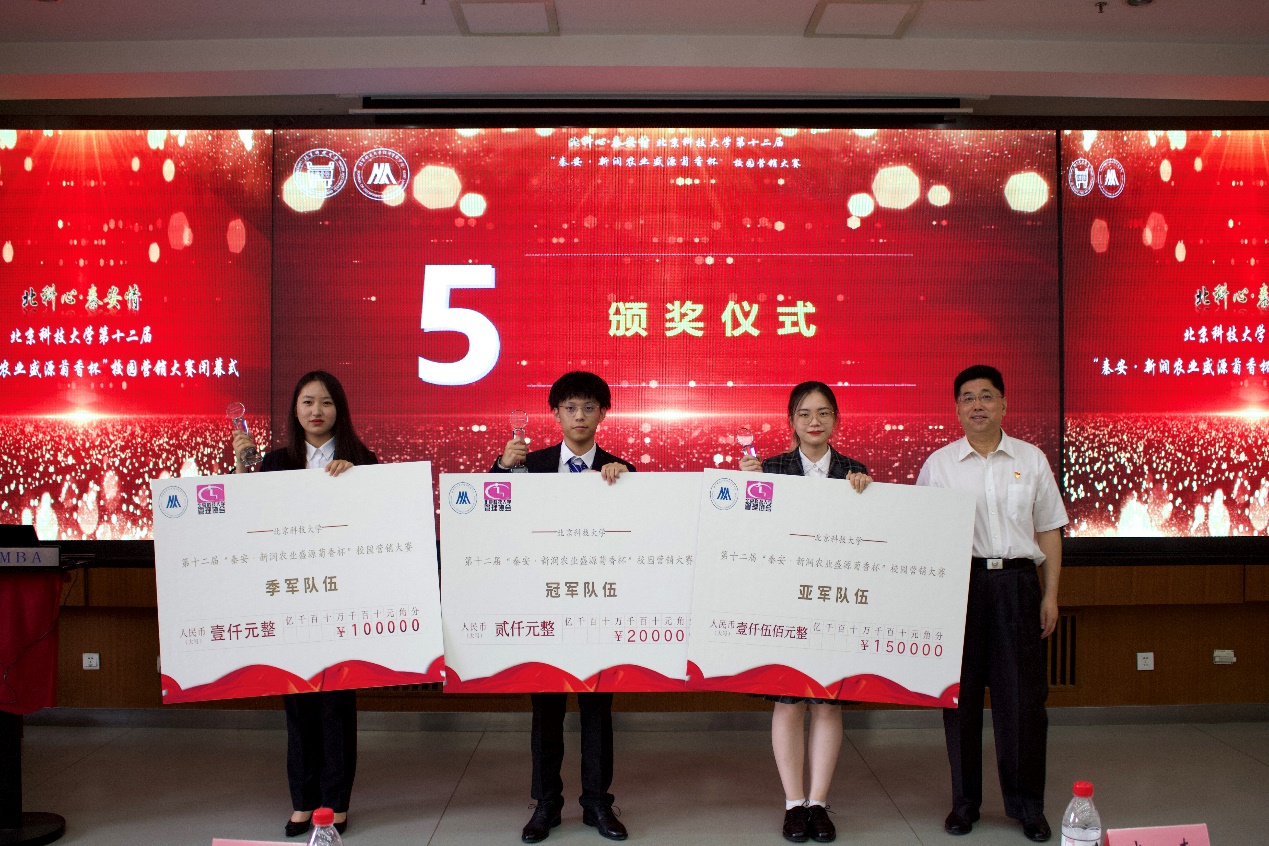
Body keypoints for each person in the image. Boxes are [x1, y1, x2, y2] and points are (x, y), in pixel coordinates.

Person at [915, 365, 1067, 843]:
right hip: (960, 586)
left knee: (1022, 701)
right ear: (957, 409)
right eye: (967, 397)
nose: (977, 405)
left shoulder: (1031, 459)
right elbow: (920, 535)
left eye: (986, 396)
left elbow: (1049, 529)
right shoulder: (939, 466)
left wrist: (1051, 594)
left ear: (1003, 404)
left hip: (1019, 585)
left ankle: (1027, 807)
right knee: (959, 701)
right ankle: (964, 805)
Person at [231, 370, 377, 838]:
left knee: (337, 704)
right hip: (291, 597)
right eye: (308, 402)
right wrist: (241, 471)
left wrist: (358, 483)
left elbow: (380, 520)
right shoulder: (276, 463)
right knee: (297, 702)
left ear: (340, 410)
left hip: (342, 596)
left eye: (327, 402)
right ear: (295, 409)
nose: (317, 411)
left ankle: (335, 802)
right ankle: (302, 800)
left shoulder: (362, 460)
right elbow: (248, 519)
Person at [491, 371, 634, 843]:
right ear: (554, 413)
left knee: (597, 709)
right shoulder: (528, 464)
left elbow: (639, 533)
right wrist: (501, 467)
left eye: (589, 407)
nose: (579, 416)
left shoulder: (621, 469)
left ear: (603, 414)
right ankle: (546, 804)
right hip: (544, 604)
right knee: (546, 710)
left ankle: (597, 803)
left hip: (598, 606)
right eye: (570, 407)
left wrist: (627, 489)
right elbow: (491, 514)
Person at [739, 381, 871, 845]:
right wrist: (748, 486)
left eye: (823, 413)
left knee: (828, 702)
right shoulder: (770, 468)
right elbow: (750, 533)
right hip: (784, 601)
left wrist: (865, 495)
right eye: (804, 413)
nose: (814, 422)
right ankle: (793, 804)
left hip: (833, 601)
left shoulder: (856, 472)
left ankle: (818, 802)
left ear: (836, 419)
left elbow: (867, 537)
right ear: (791, 421)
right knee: (788, 701)